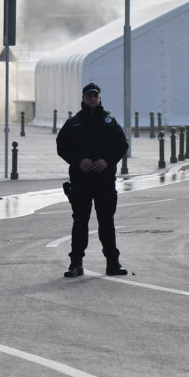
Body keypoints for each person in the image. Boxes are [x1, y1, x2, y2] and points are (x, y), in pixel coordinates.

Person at [55, 82, 129, 278]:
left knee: (106, 222)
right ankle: (75, 264)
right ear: (83, 98)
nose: (92, 99)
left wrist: (107, 161)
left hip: (104, 180)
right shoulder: (73, 123)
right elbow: (62, 147)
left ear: (100, 98)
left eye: (95, 96)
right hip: (81, 180)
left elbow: (122, 145)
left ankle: (113, 263)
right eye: (89, 96)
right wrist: (79, 161)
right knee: (80, 222)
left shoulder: (109, 122)